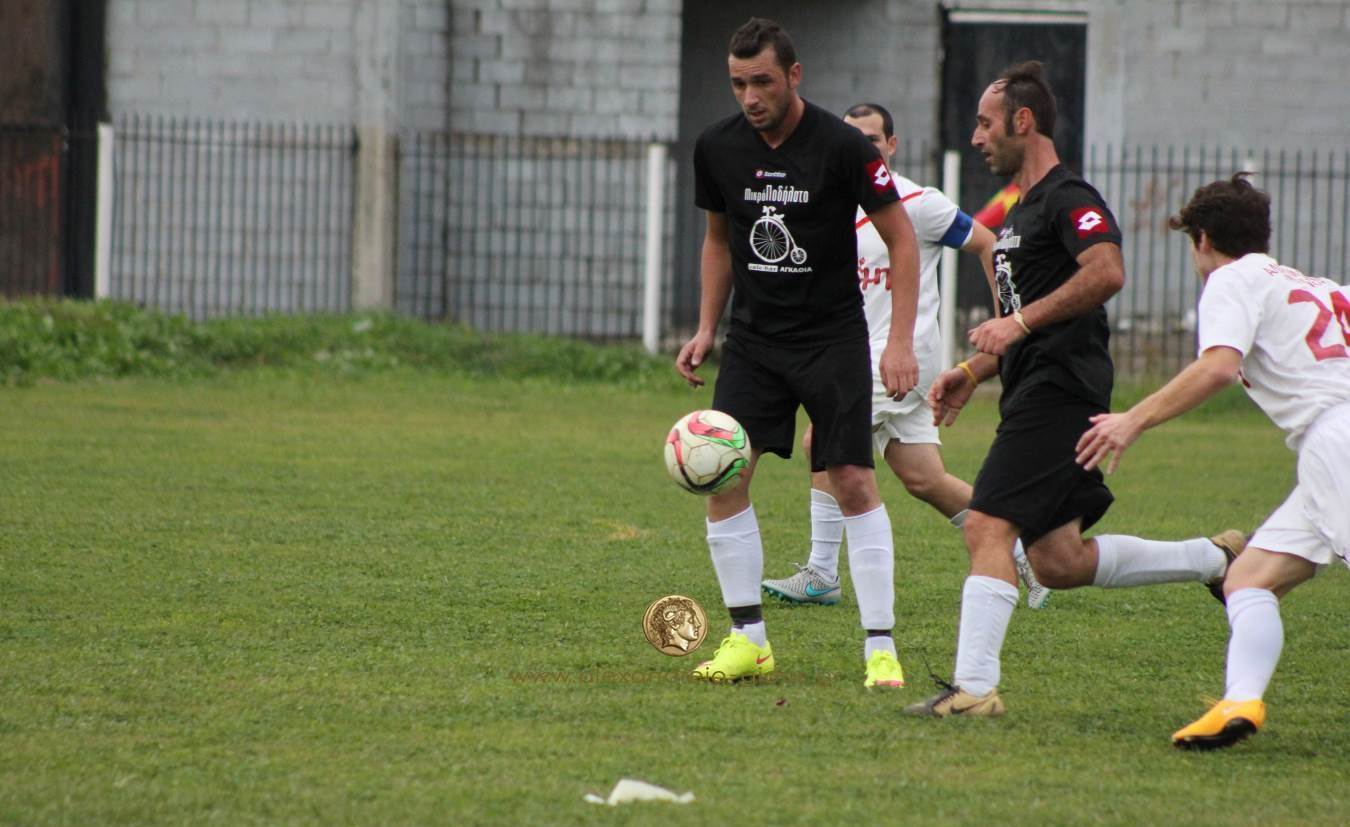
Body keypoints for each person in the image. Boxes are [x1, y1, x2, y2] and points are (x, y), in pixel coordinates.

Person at [904, 61, 1244, 718]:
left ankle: (974, 688)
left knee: (986, 524)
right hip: (1033, 387)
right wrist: (972, 371)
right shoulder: (1018, 213)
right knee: (1058, 560)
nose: (976, 138)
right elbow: (1023, 322)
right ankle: (1216, 558)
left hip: (1061, 390)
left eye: (985, 123)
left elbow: (1107, 271)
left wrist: (1018, 323)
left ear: (1022, 121)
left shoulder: (1069, 196)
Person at [675, 18, 922, 688]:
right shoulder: (717, 146)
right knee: (725, 476)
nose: (749, 97)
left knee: (853, 480)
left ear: (793, 75)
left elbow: (901, 239)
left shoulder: (843, 146)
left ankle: (880, 647)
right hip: (753, 343)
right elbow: (719, 240)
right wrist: (705, 327)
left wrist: (898, 341)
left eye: (761, 81)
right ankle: (748, 639)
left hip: (832, 338)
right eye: (737, 84)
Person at [1076, 173, 1350, 749]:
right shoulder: (1325, 288)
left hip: (1336, 441)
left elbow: (1218, 367)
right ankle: (1239, 703)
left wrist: (1133, 419)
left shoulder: (1231, 278)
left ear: (1202, 239)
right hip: (1325, 448)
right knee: (1247, 577)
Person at [761, 102, 1050, 613]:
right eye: (852, 138)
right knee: (923, 478)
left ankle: (822, 573)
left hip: (903, 357)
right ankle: (1022, 549)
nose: (861, 148)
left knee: (821, 438)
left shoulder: (918, 203)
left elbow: (988, 243)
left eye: (872, 139)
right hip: (858, 355)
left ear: (891, 146)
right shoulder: (831, 202)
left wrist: (1005, 319)